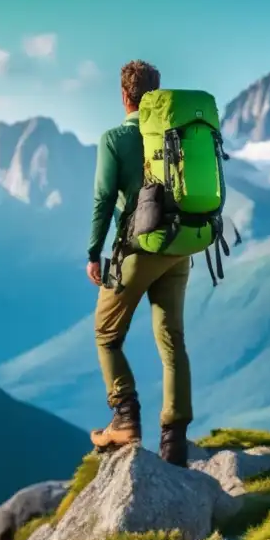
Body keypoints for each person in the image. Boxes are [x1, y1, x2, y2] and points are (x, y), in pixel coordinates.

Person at [85, 60, 192, 467]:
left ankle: (125, 417)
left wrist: (94, 253)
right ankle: (175, 443)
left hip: (138, 250)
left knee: (106, 333)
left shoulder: (115, 139)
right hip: (179, 247)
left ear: (124, 95)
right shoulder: (176, 135)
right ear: (157, 92)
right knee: (172, 341)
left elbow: (102, 199)